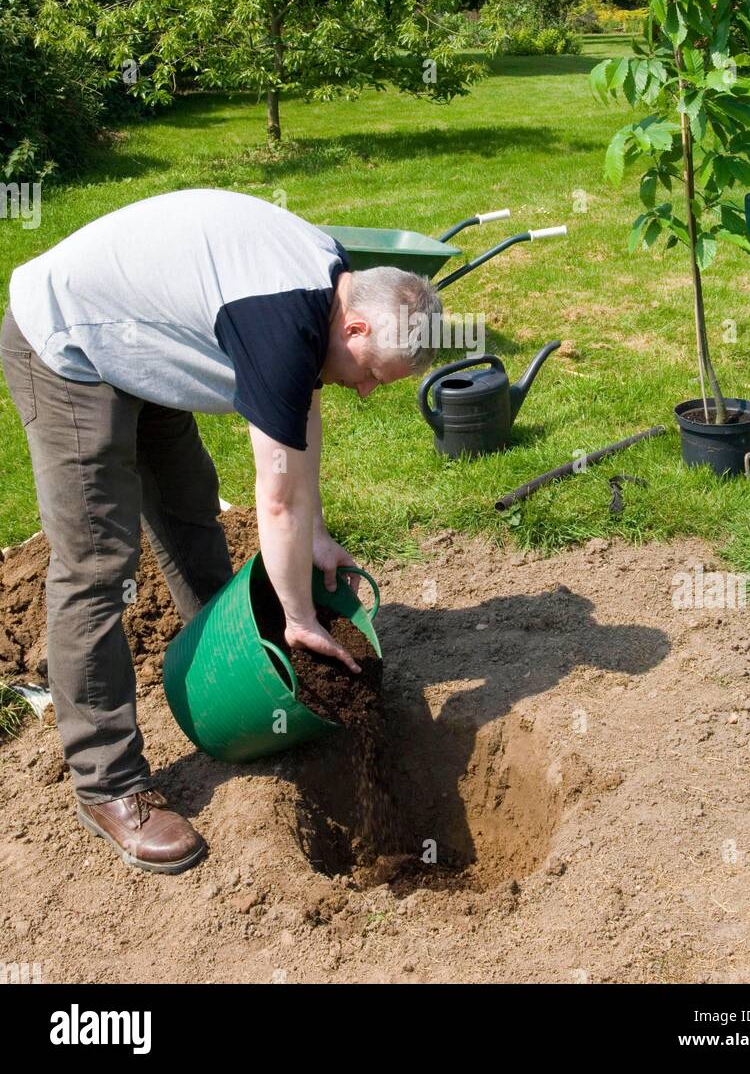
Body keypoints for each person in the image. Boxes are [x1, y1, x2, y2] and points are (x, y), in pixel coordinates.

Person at [1, 188, 441, 873]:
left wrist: (316, 531)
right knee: (97, 564)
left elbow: (302, 416)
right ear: (353, 329)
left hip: (140, 339)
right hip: (70, 349)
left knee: (187, 508)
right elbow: (276, 501)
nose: (363, 392)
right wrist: (298, 612)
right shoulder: (282, 316)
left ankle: (229, 677)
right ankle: (107, 784)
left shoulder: (331, 287)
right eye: (370, 377)